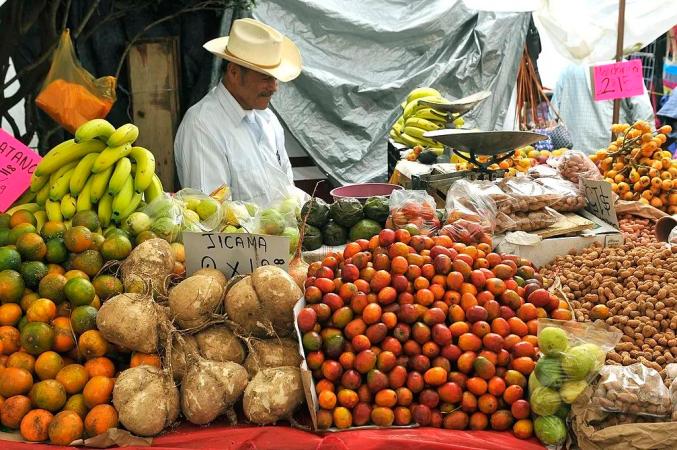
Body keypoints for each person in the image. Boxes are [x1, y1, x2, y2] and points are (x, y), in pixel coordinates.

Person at [174, 18, 302, 204]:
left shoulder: (268, 119)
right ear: (234, 73)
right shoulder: (202, 126)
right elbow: (212, 216)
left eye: (275, 78)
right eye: (266, 77)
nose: (274, 87)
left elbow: (287, 192)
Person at [552, 63, 655, 154]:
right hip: (613, 156)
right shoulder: (623, 67)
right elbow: (644, 116)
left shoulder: (568, 69)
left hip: (572, 155)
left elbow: (553, 114)